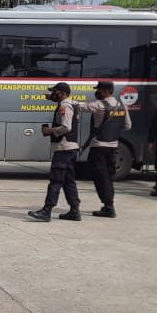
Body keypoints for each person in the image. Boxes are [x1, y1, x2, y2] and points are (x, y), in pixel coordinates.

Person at [68, 80, 131, 218]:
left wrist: (66, 99)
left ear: (106, 91)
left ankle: (108, 207)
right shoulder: (122, 105)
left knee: (100, 178)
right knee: (108, 177)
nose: (97, 92)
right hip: (113, 147)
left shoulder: (98, 105)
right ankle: (109, 204)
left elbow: (80, 106)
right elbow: (127, 126)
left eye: (99, 90)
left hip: (99, 147)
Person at [28, 82, 81, 222]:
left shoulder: (65, 106)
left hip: (63, 149)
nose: (53, 94)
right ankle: (74, 210)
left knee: (56, 181)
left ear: (62, 93)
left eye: (55, 92)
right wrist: (49, 96)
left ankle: (47, 211)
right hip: (70, 149)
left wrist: (49, 131)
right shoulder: (70, 103)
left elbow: (66, 127)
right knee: (69, 181)